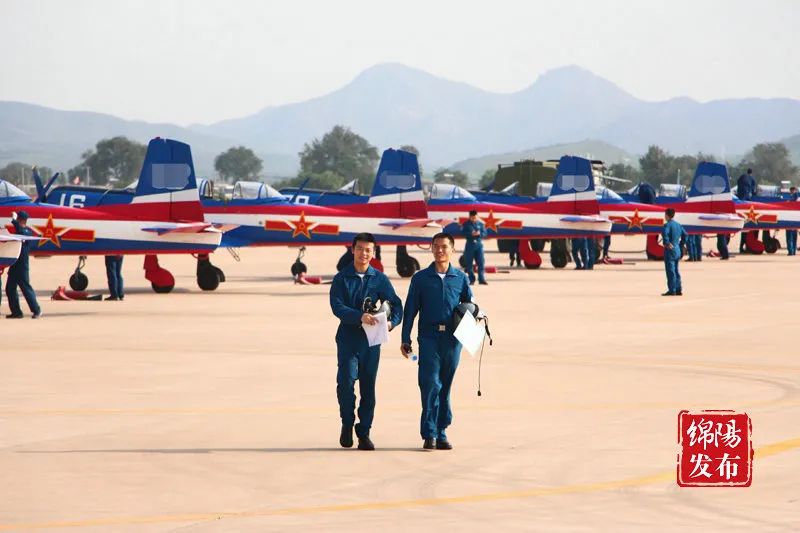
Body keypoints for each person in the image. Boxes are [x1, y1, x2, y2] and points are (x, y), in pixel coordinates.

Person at [329, 233, 403, 450]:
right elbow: (337, 306)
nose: (364, 253)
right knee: (345, 383)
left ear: (373, 252)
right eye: (360, 249)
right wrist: (358, 316)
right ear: (353, 250)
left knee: (368, 387)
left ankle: (364, 432)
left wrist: (391, 323)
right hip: (348, 338)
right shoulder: (342, 278)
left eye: (368, 250)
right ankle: (347, 423)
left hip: (371, 341)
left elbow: (396, 305)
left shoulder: (379, 278)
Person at [401, 232, 472, 450]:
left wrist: (472, 331)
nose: (440, 250)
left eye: (444, 247)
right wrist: (406, 338)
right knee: (430, 383)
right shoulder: (420, 278)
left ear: (452, 249)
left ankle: (441, 432)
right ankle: (429, 433)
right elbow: (410, 309)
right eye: (436, 246)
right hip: (429, 337)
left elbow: (470, 306)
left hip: (452, 339)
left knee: (445, 386)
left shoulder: (461, 278)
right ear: (431, 248)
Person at [6, 211, 42, 318]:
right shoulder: (20, 232)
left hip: (22, 266)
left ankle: (37, 310)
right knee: (10, 288)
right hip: (14, 264)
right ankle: (16, 312)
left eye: (17, 219)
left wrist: (13, 221)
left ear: (20, 220)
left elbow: (21, 231)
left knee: (25, 288)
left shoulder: (26, 232)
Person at [662, 208, 687, 296]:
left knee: (670, 271)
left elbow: (665, 233)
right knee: (676, 270)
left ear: (667, 215)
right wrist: (682, 244)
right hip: (677, 249)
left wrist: (667, 242)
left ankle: (672, 290)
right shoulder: (678, 225)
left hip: (670, 250)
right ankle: (678, 289)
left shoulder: (667, 225)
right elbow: (685, 234)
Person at [461, 210, 487, 285]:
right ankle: (471, 279)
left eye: (475, 217)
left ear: (477, 216)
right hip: (470, 245)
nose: (473, 219)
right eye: (472, 218)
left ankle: (481, 279)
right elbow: (463, 233)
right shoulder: (466, 224)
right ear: (469, 217)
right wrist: (471, 234)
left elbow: (485, 233)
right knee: (469, 264)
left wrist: (479, 234)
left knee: (481, 263)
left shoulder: (480, 224)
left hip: (479, 246)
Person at [737, 169, 757, 252]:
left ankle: (741, 248)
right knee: (748, 232)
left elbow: (738, 182)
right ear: (751, 173)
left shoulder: (742, 177)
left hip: (740, 197)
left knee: (744, 233)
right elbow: (753, 188)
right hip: (747, 199)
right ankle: (748, 247)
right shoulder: (752, 179)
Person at [787, 186, 798, 256]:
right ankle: (793, 251)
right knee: (794, 238)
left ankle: (791, 252)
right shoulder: (796, 197)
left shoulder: (792, 198)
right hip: (795, 220)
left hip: (789, 221)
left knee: (790, 237)